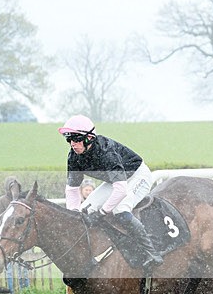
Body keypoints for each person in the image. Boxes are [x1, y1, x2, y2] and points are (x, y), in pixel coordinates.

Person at [59, 114, 163, 269]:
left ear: (89, 138)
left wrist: (101, 212)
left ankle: (152, 253)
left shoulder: (106, 151)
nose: (72, 144)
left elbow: (121, 190)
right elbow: (72, 189)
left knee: (120, 210)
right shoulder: (74, 156)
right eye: (69, 140)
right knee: (83, 212)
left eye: (76, 139)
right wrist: (73, 215)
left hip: (137, 176)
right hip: (115, 181)